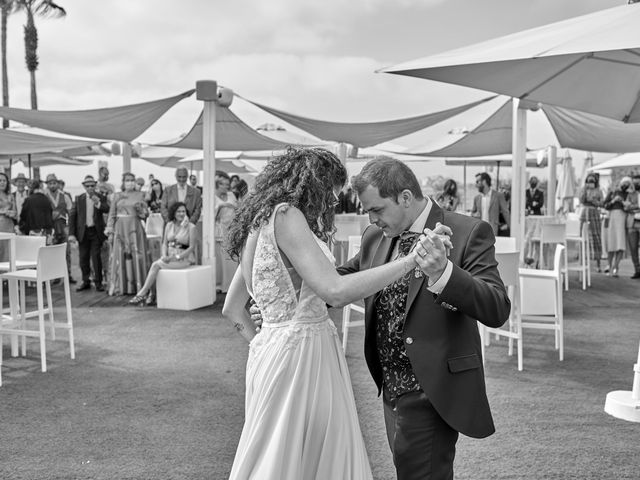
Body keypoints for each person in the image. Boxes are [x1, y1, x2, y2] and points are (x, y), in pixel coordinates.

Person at [222, 147, 433, 480]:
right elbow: (334, 289)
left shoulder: (260, 222)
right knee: (304, 457)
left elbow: (233, 309)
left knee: (280, 450)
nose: (332, 206)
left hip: (270, 352)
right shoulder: (287, 215)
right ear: (315, 187)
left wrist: (268, 340)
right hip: (304, 354)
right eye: (331, 197)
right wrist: (410, 262)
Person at [128, 202, 197, 306]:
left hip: (184, 259)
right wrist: (164, 255)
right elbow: (164, 243)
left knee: (155, 265)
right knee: (156, 265)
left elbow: (191, 247)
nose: (181, 214)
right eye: (179, 211)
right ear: (173, 213)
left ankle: (143, 293)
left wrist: (177, 257)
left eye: (183, 211)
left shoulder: (191, 227)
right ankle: (148, 294)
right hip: (169, 257)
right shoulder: (169, 225)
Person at [105, 172, 151, 296]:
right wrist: (110, 230)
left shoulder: (141, 195)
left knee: (136, 255)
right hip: (120, 228)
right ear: (123, 182)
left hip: (135, 228)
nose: (130, 182)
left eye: (132, 180)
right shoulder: (117, 196)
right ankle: (121, 286)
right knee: (120, 255)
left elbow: (145, 215)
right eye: (127, 180)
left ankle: (137, 286)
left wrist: (141, 210)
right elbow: (112, 214)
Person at [68, 175, 109, 292]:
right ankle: (85, 281)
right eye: (88, 186)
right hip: (83, 232)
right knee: (83, 258)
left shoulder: (100, 196)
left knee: (96, 258)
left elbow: (107, 209)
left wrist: (98, 203)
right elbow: (72, 216)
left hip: (96, 232)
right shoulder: (79, 198)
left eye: (92, 185)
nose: (90, 188)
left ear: (95, 186)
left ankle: (98, 282)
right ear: (84, 187)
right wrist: (72, 233)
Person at [45, 173, 76, 283]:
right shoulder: (44, 196)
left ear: (57, 184)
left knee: (66, 251)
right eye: (50, 183)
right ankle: (54, 276)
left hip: (63, 226)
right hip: (50, 228)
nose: (52, 185)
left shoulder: (65, 196)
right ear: (47, 185)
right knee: (51, 252)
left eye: (54, 183)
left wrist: (71, 228)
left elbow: (71, 212)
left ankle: (68, 274)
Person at [603, 176, 633, 277]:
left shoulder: (628, 194)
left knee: (620, 243)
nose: (625, 186)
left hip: (622, 218)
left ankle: (616, 266)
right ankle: (609, 265)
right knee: (611, 243)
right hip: (612, 218)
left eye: (627, 184)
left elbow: (629, 208)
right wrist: (613, 201)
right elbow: (605, 205)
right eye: (624, 183)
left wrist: (624, 203)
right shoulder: (612, 192)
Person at [215, 171, 238, 293]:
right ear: (218, 185)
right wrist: (222, 206)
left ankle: (232, 285)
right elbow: (211, 214)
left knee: (232, 257)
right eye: (224, 184)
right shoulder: (213, 196)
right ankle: (220, 285)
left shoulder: (231, 195)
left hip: (232, 228)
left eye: (227, 184)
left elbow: (238, 207)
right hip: (220, 229)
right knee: (221, 258)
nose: (226, 187)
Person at [578, 173, 604, 273]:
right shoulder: (583, 189)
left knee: (596, 237)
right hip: (585, 212)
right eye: (588, 181)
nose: (590, 183)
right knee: (582, 236)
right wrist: (585, 189)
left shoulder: (599, 191)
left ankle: (598, 263)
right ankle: (582, 260)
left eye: (592, 181)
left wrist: (595, 202)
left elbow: (602, 203)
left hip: (594, 212)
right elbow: (581, 200)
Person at [0, 172, 17, 261]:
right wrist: (4, 212)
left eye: (4, 180)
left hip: (9, 226)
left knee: (8, 252)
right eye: (0, 180)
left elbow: (15, 213)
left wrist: (13, 214)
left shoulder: (11, 196)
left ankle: (7, 274)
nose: (2, 182)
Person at [628, 174, 640, 279]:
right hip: (632, 222)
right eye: (634, 182)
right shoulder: (631, 194)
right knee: (633, 248)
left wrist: (633, 207)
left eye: (638, 182)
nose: (636, 184)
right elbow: (627, 206)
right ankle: (637, 270)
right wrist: (637, 207)